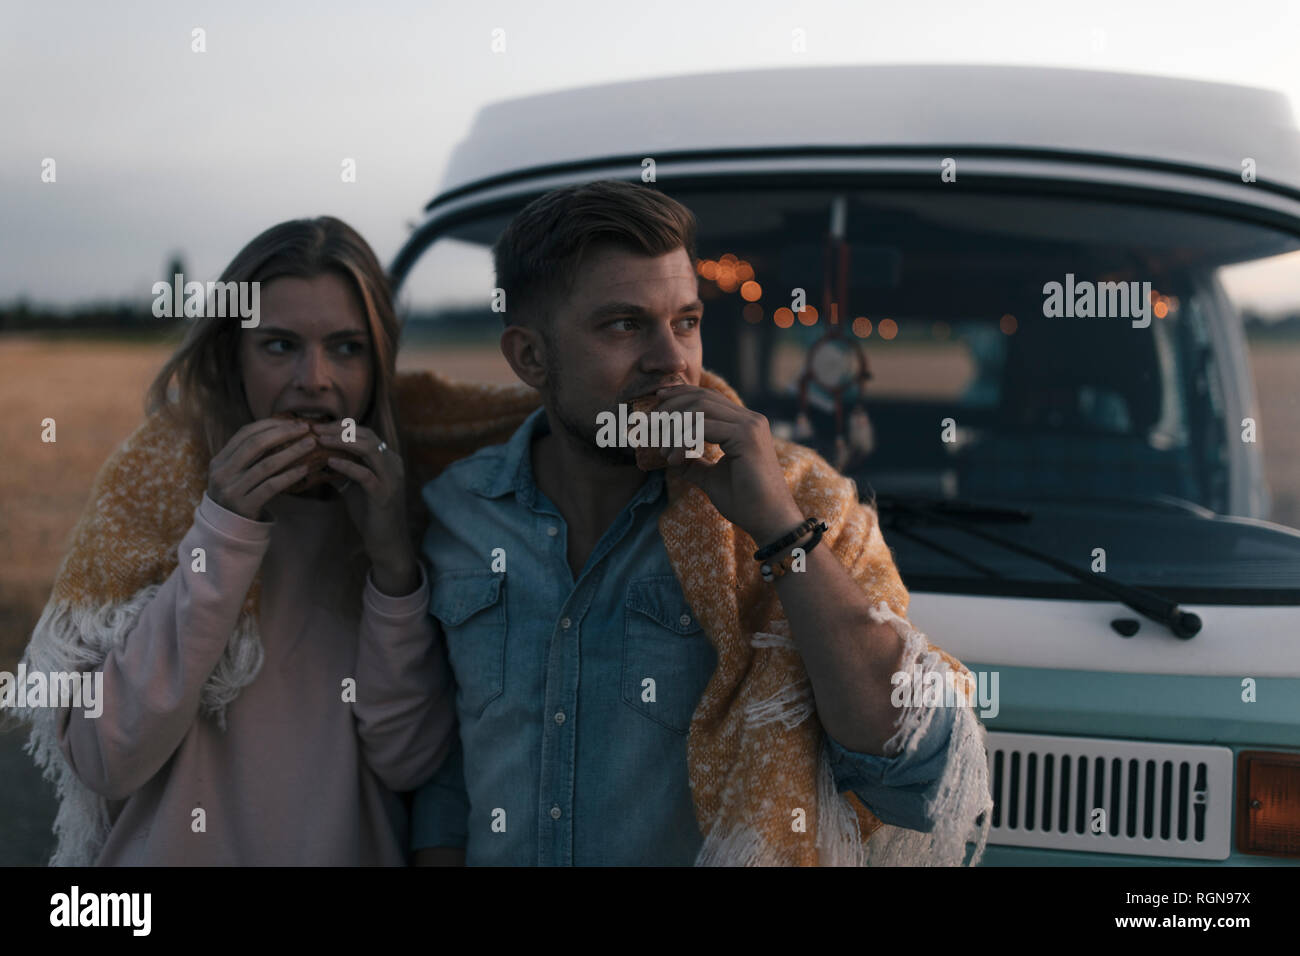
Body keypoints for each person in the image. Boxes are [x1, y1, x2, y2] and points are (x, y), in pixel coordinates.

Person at [410, 181, 993, 866]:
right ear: (530, 357)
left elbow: (911, 770)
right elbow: (449, 762)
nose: (672, 360)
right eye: (624, 325)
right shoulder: (455, 509)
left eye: (685, 322)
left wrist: (776, 526)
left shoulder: (803, 501)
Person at [17, 216, 458, 865]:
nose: (315, 378)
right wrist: (222, 531)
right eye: (279, 346)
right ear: (232, 355)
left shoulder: (412, 509)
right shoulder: (154, 493)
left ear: (380, 362)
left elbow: (410, 760)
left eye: (346, 347)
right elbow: (106, 758)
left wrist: (393, 564)